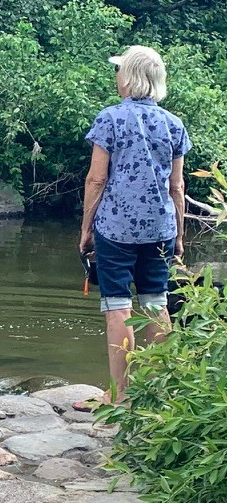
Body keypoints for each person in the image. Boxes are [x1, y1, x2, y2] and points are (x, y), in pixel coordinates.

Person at [79, 45, 190, 402]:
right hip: (160, 227)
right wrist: (180, 235)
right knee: (156, 303)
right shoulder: (174, 124)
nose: (116, 77)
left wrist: (85, 229)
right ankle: (157, 393)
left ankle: (119, 396)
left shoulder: (109, 119)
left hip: (115, 228)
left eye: (119, 71)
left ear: (128, 77)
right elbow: (177, 186)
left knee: (117, 307)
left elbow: (96, 180)